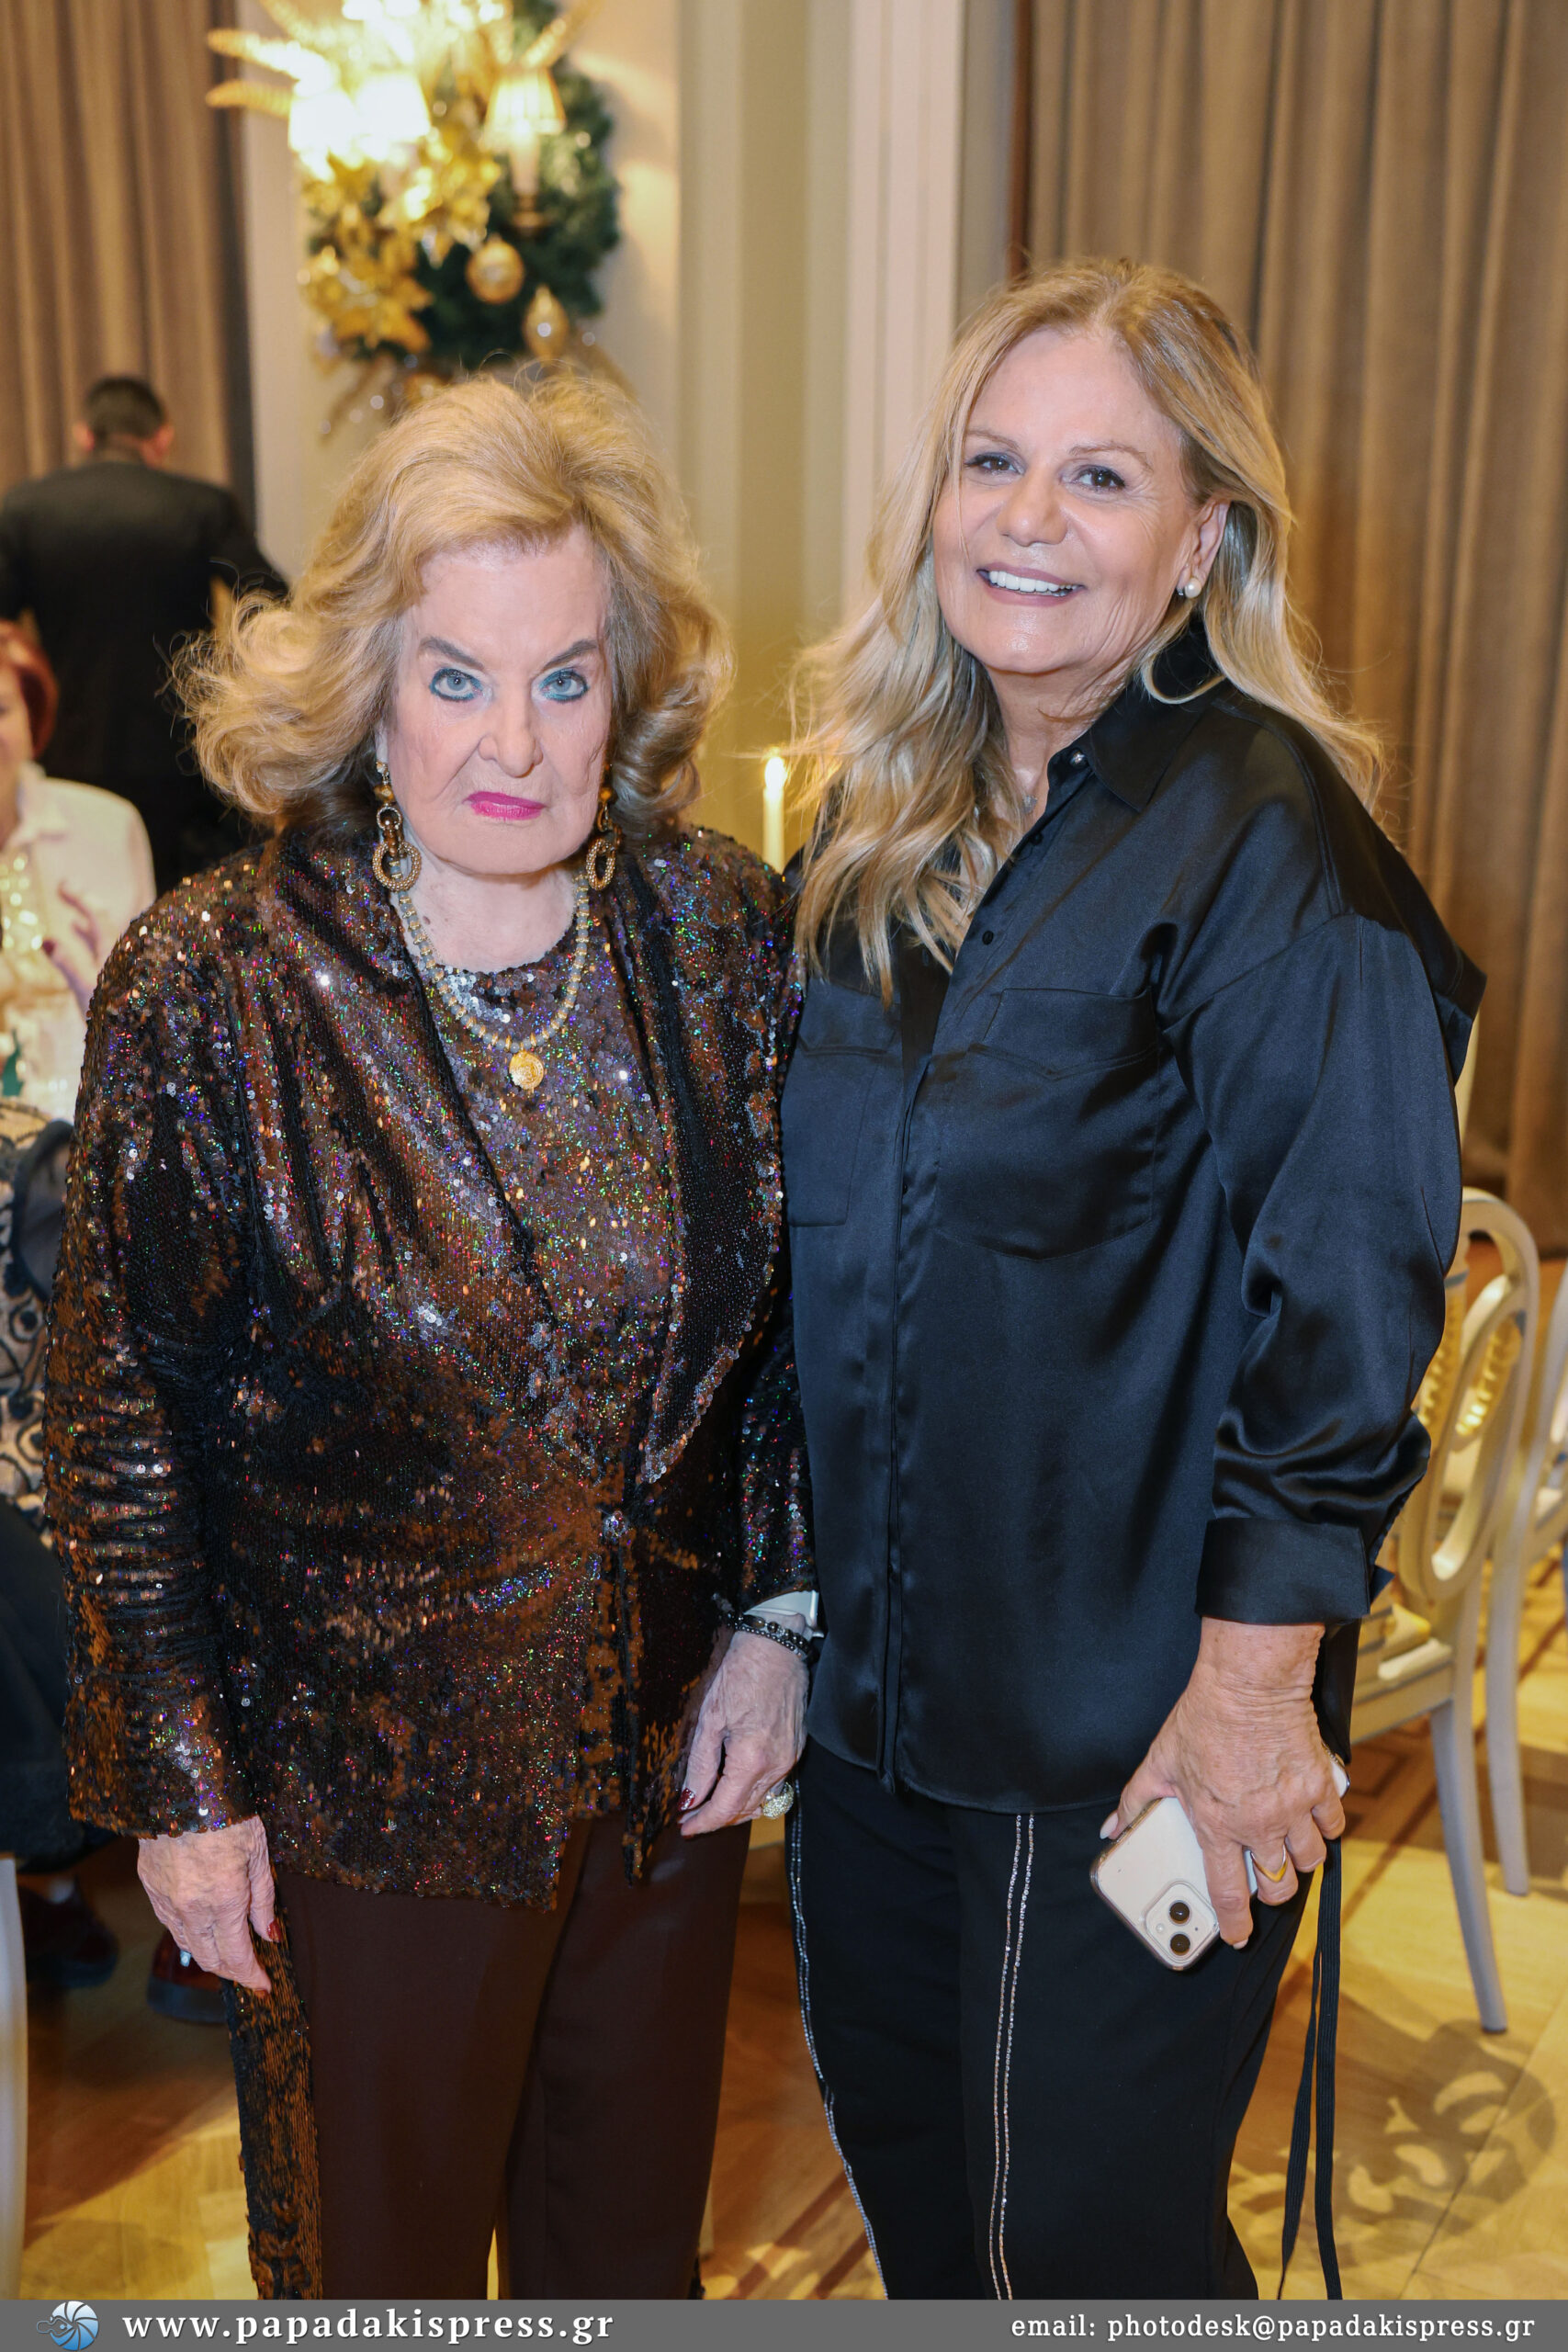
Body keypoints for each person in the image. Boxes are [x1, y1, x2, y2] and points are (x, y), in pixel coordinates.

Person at [44, 372, 813, 2299]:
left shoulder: (718, 936)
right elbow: (122, 1423)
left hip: (662, 1772)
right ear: (368, 684)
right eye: (456, 676)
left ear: (627, 690)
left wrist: (778, 1616)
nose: (514, 742)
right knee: (375, 2278)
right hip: (357, 1807)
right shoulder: (216, 983)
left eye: (565, 678)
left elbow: (797, 1317)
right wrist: (186, 1795)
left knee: (623, 2267)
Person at [781, 259, 1482, 2299]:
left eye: (1098, 476)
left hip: (1132, 1726)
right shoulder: (883, 828)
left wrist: (1253, 1692)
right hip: (878, 1708)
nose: (1026, 518)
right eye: (989, 462)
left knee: (1079, 2258)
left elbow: (1348, 1298)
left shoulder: (1264, 838)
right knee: (933, 2227)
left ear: (1200, 539)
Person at [0, 377, 286, 893]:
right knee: (182, 913)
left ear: (84, 435)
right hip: (182, 761)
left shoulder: (23, 510)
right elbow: (272, 608)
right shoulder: (203, 506)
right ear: (161, 439)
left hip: (70, 755)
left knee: (88, 904)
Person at [0, 624, 153, 1118]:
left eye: (1, 710)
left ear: (31, 719)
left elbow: (154, 1015)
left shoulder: (109, 828)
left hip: (93, 1120)